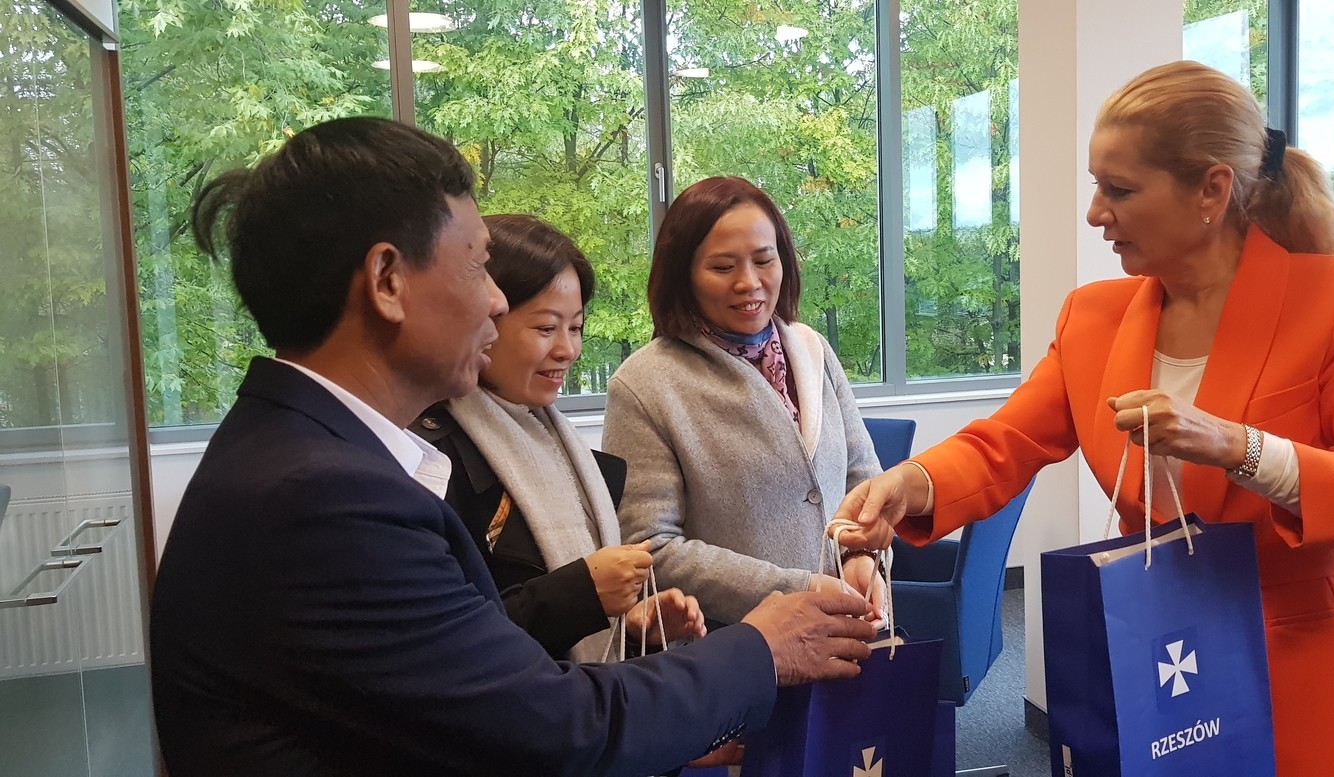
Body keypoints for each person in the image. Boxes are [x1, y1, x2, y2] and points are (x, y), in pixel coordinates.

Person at [149, 117, 876, 777]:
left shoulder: (315, 460)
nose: (497, 301)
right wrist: (760, 648)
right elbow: (554, 727)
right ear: (388, 281)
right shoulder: (321, 500)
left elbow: (480, 686)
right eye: (476, 266)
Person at [833, 61, 1334, 776]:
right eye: (1097, 186)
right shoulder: (1094, 316)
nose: (1096, 212)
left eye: (1119, 190)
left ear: (1212, 189)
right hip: (1159, 665)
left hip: (1304, 682)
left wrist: (1241, 447)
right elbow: (1005, 442)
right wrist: (908, 484)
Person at [410, 214, 702, 663]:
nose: (567, 350)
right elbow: (444, 646)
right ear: (482, 319)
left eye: (576, 327)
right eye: (546, 328)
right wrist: (581, 594)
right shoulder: (431, 460)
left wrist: (633, 630)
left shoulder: (563, 447)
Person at [602, 176, 885, 628]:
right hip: (735, 645)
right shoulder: (646, 384)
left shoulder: (811, 351)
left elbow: (864, 480)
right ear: (683, 274)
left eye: (764, 260)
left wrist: (861, 555)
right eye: (722, 267)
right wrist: (799, 588)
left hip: (844, 626)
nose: (749, 282)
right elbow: (651, 547)